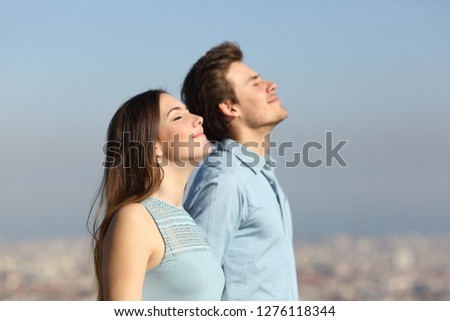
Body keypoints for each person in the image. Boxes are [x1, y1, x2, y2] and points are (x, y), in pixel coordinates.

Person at [181, 42, 299, 300]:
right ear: (229, 107)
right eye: (254, 82)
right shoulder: (225, 180)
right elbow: (193, 290)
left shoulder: (258, 176)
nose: (271, 85)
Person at [89, 89, 224, 300]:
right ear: (154, 147)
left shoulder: (184, 217)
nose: (198, 119)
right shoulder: (134, 219)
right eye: (178, 116)